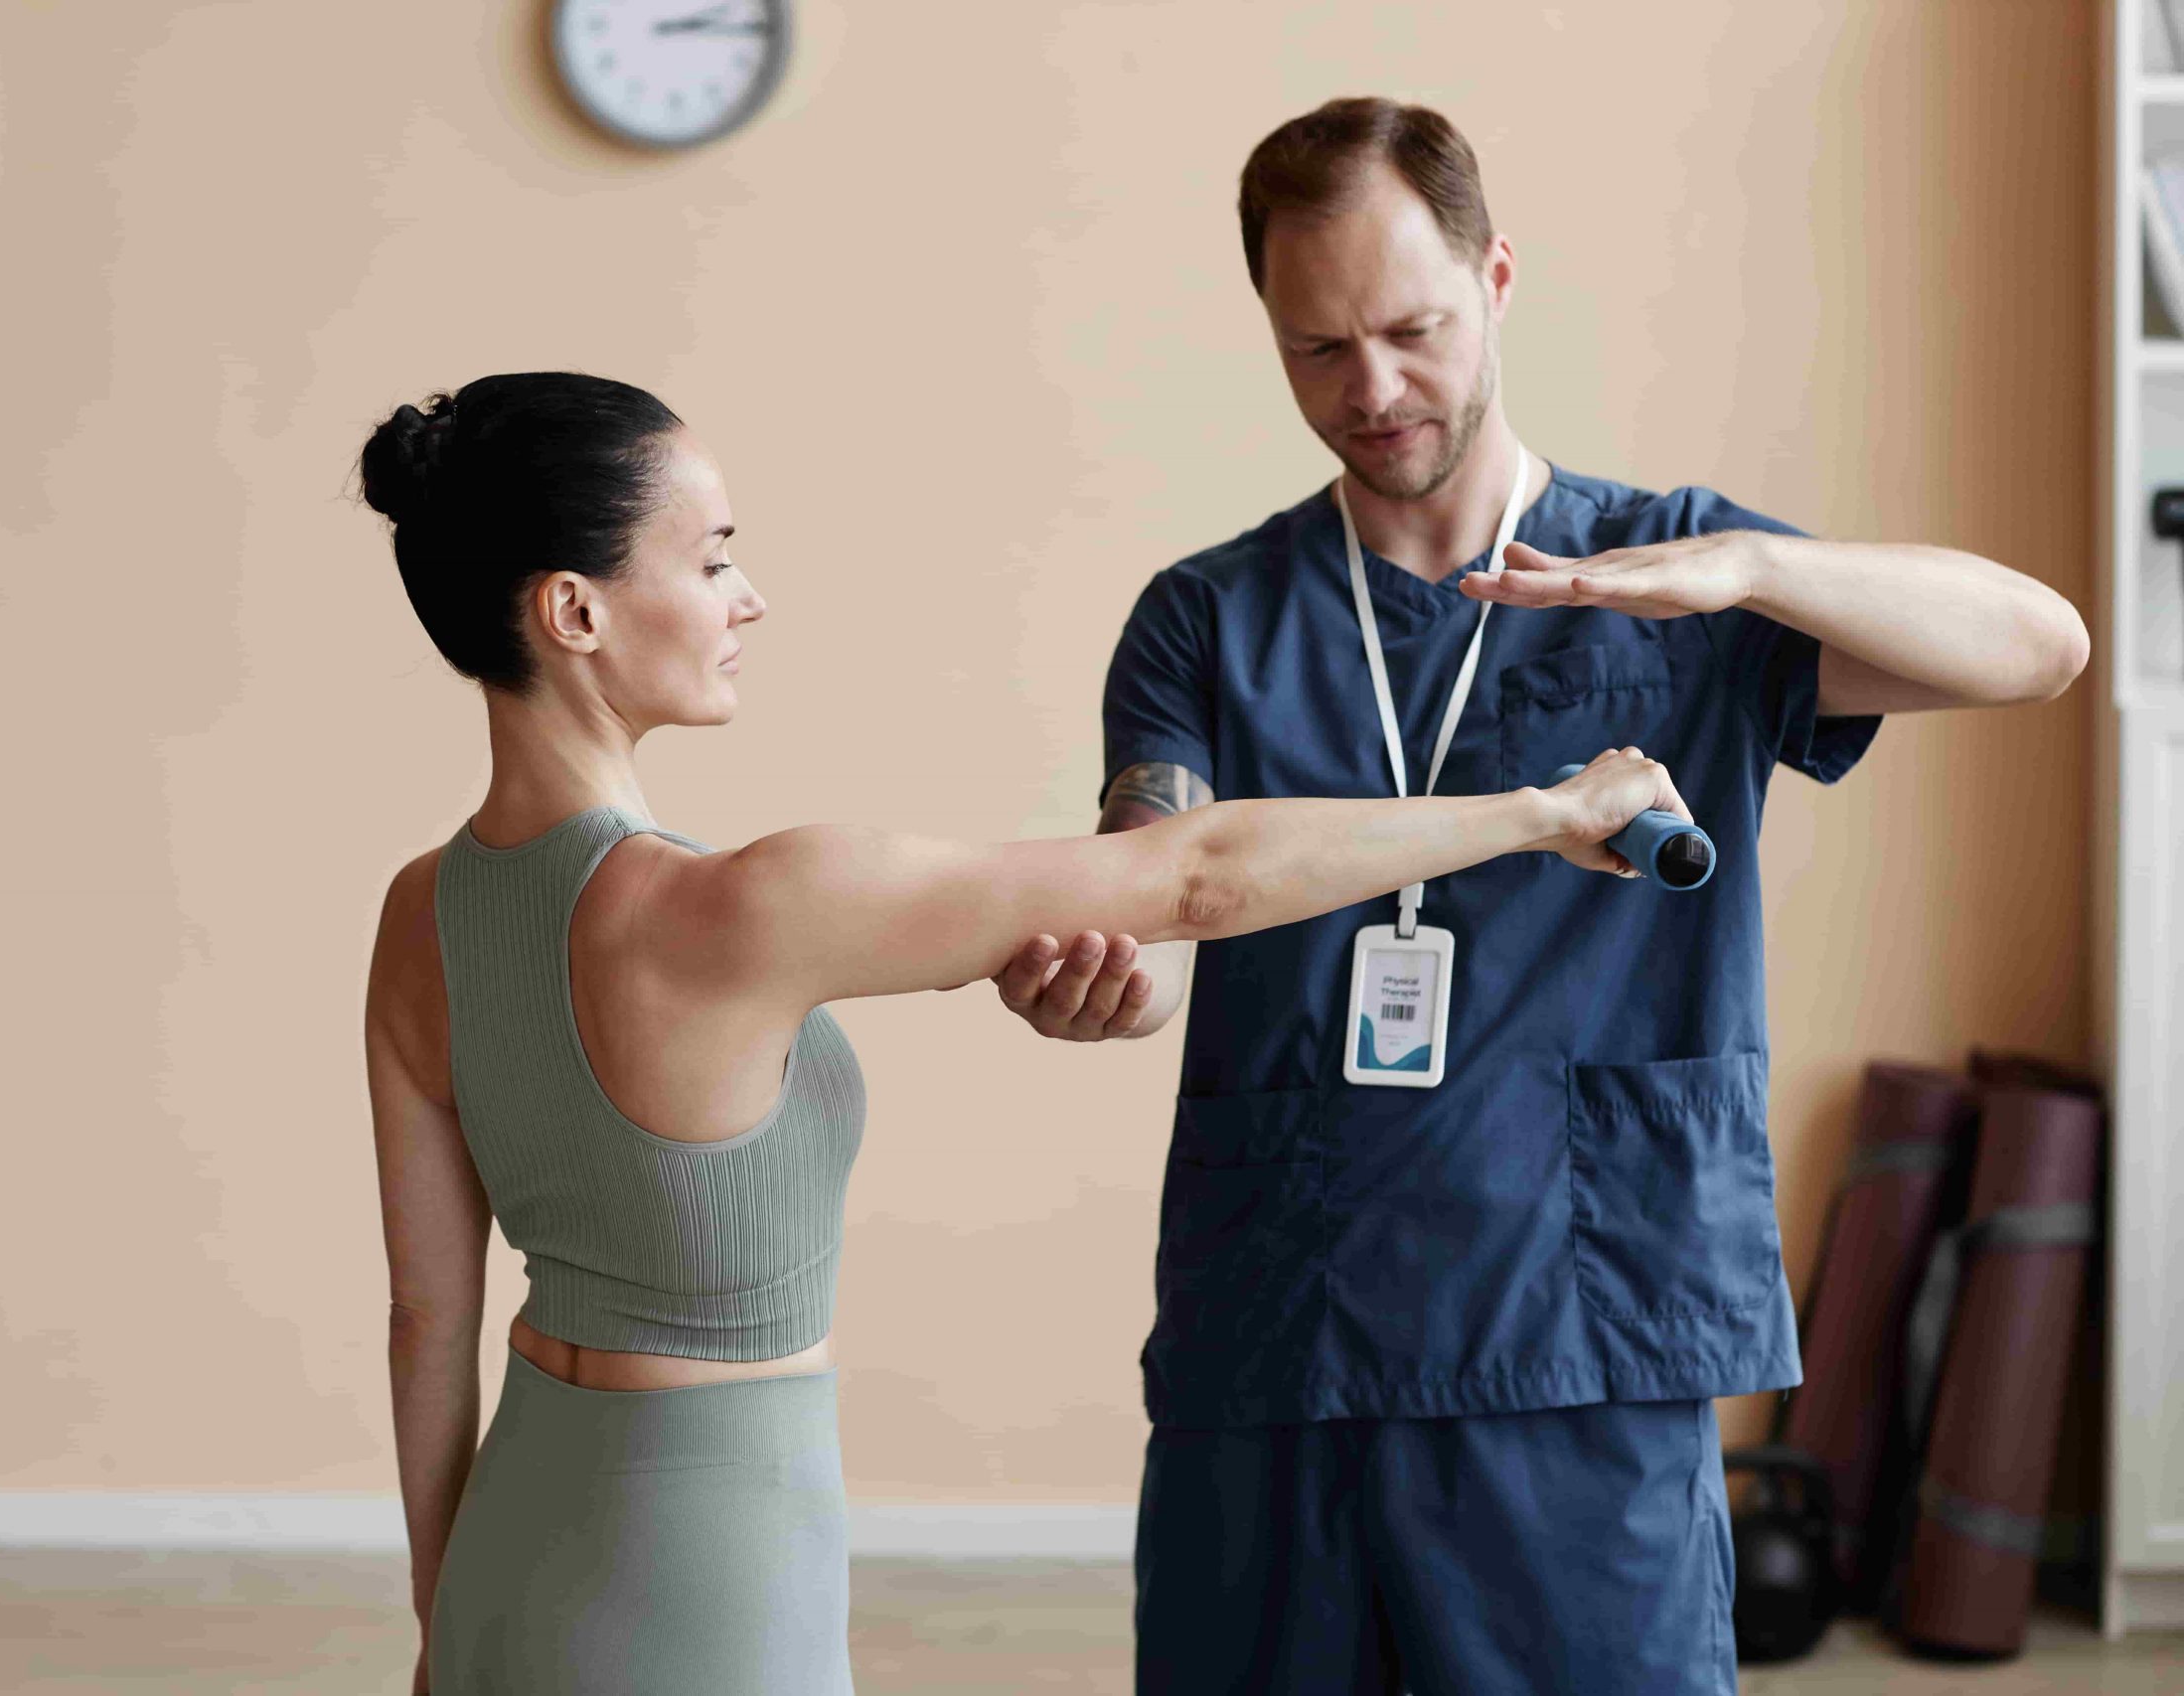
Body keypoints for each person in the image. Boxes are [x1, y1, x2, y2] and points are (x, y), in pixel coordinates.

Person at [990, 97, 2091, 1694]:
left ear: (1497, 280)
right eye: (1317, 351)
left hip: (1580, 1338)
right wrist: (1108, 987)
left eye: (1413, 328)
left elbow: (2040, 646)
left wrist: (1755, 570)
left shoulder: (1675, 581)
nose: (1372, 390)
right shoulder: (1206, 622)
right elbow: (1157, 916)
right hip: (1283, 1339)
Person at [357, 371, 1679, 1694]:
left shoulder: (421, 912)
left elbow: (429, 1316)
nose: (746, 596)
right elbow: (1195, 874)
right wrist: (1546, 814)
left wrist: (441, 1612)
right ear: (574, 610)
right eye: (711, 561)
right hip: (704, 1568)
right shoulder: (737, 908)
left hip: (508, 1539)